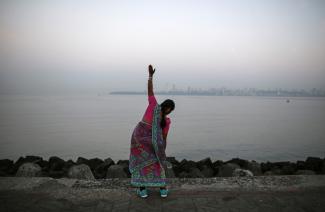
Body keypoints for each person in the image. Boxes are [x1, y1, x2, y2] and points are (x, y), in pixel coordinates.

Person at [129, 64, 175, 198]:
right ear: (170, 109)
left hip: (138, 138)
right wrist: (162, 151)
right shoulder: (166, 121)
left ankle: (143, 190)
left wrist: (150, 76)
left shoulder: (154, 105)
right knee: (157, 163)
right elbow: (164, 138)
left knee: (140, 164)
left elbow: (150, 91)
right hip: (151, 143)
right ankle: (162, 189)